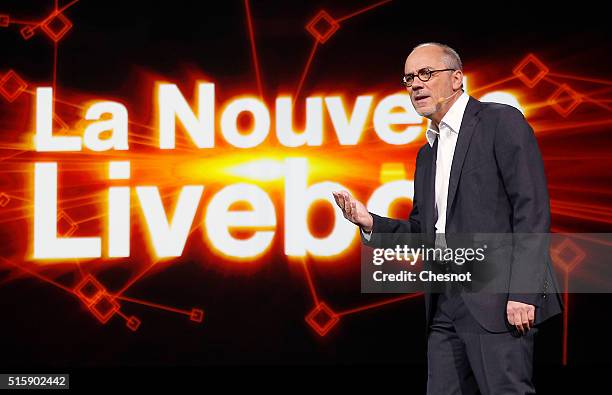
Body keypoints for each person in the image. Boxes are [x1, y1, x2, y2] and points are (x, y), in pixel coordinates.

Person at [332, 42, 562, 394]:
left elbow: (531, 210)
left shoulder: (499, 121)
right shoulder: (427, 154)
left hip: (499, 299)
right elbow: (425, 233)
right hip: (445, 303)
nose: (415, 85)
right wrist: (371, 223)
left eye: (426, 73)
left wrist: (523, 292)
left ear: (457, 78)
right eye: (408, 78)